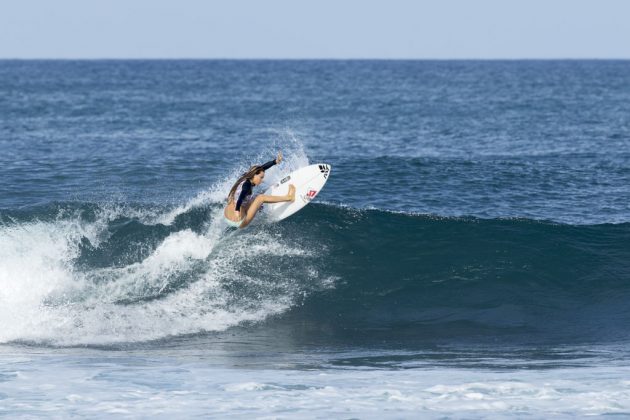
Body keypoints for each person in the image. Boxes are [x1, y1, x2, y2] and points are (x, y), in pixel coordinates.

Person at [224, 152, 295, 228]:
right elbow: (241, 196)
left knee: (253, 197)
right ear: (254, 175)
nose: (262, 180)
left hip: (227, 216)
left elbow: (262, 168)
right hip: (239, 221)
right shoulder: (247, 185)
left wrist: (275, 161)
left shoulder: (246, 176)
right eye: (261, 177)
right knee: (261, 197)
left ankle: (256, 208)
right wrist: (237, 210)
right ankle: (289, 197)